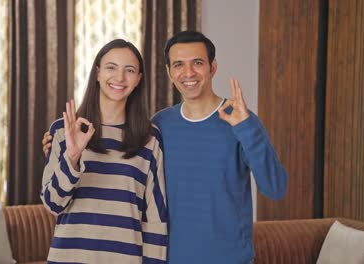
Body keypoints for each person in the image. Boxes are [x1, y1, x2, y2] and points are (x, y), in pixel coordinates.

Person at [43, 31, 288, 264]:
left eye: (198, 63)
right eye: (179, 65)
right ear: (169, 73)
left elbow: (276, 189)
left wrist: (247, 128)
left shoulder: (238, 120)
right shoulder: (159, 126)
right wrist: (66, 153)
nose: (188, 72)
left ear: (212, 67)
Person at [41, 39, 167, 264]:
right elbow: (52, 204)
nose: (119, 78)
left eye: (129, 70)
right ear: (97, 73)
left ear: (138, 80)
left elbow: (155, 218)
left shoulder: (150, 137)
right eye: (111, 67)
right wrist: (72, 157)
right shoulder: (63, 130)